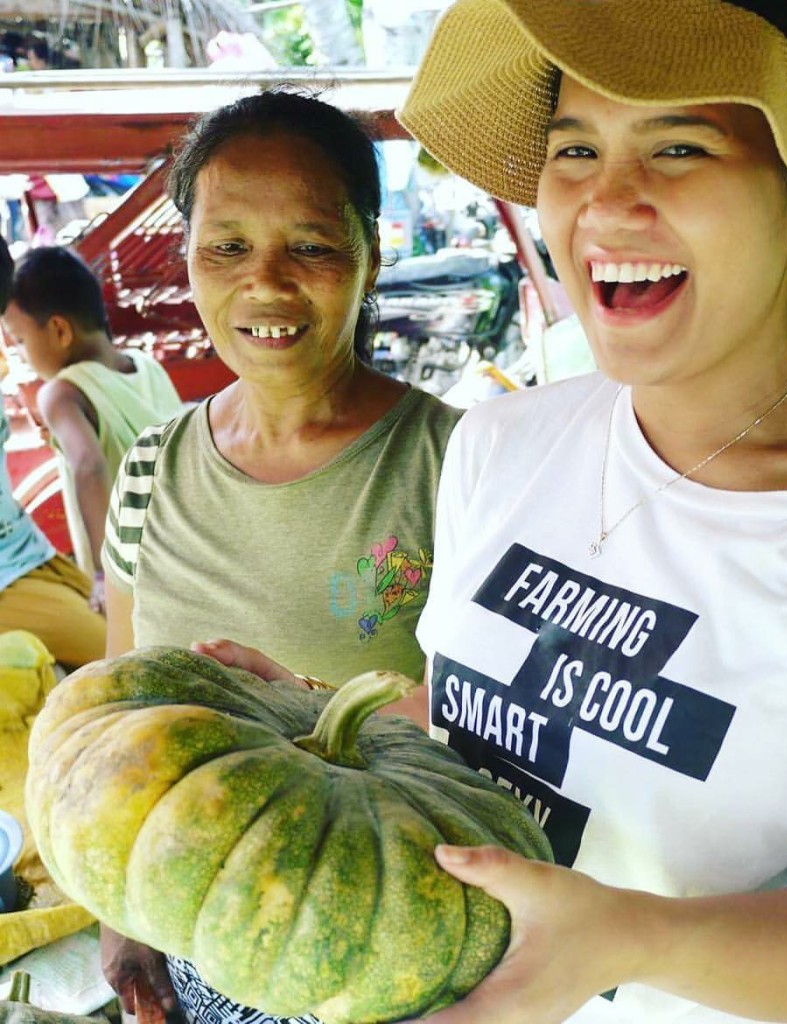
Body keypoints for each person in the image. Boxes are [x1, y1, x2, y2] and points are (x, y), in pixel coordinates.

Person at [212, 3, 787, 1022]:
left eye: (678, 147)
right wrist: (312, 720)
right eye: (575, 150)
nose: (607, 202)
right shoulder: (503, 444)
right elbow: (480, 735)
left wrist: (627, 932)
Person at [98, 87, 462, 1022]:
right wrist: (120, 907)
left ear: (370, 256)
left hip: (388, 950)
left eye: (308, 244)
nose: (265, 283)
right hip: (195, 947)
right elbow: (120, 709)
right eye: (226, 247)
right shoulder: (149, 471)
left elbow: (507, 733)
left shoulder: (459, 464)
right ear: (186, 257)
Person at [3, 246, 182, 613]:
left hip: (136, 574)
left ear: (59, 330)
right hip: (181, 551)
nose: (20, 354)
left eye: (19, 341)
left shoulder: (62, 393)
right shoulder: (147, 367)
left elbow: (89, 465)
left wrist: (105, 575)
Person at [0, 238, 105, 668]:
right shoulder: (62, 395)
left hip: (30, 557)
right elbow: (89, 464)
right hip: (11, 577)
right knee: (126, 656)